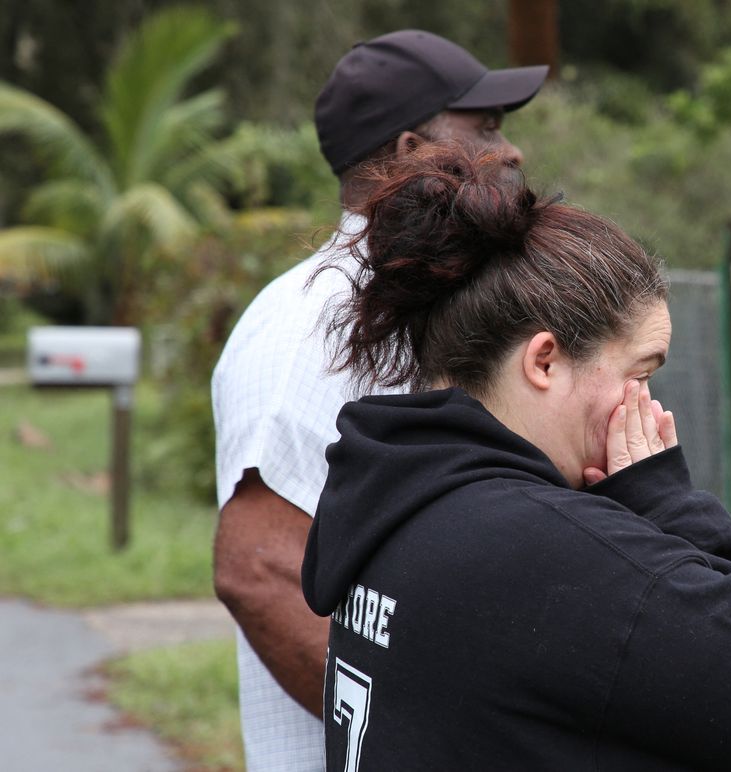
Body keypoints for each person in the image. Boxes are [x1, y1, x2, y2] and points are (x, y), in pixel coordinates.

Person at [301, 144, 731, 771]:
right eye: (640, 373)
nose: (648, 407)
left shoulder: (392, 504)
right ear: (545, 361)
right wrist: (668, 504)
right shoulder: (544, 552)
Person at [212, 30, 547, 771]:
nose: (512, 149)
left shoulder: (417, 297)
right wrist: (412, 738)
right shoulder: (318, 321)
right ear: (406, 151)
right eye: (485, 127)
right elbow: (256, 568)